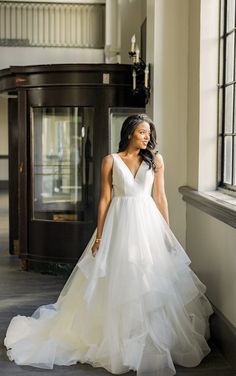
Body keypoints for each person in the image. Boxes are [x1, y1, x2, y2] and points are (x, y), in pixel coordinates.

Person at [4, 114, 213, 376]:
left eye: (149, 132)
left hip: (147, 225)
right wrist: (100, 236)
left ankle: (146, 338)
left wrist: (166, 234)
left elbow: (161, 197)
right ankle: (116, 338)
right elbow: (104, 199)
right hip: (119, 223)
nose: (147, 136)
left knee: (148, 278)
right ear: (129, 134)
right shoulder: (110, 161)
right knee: (118, 276)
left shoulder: (156, 160)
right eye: (141, 132)